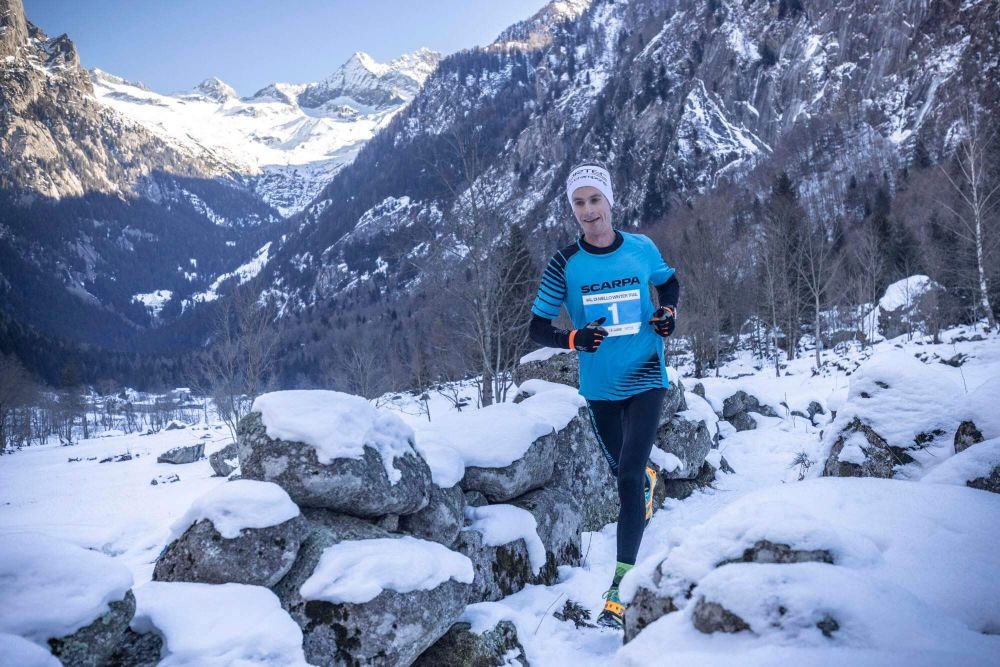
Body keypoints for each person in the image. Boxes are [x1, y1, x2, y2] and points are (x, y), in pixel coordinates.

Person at [527, 161, 679, 630]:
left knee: (629, 478)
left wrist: (667, 312)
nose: (589, 211)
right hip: (599, 390)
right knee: (625, 475)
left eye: (595, 200)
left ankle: (619, 588)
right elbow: (536, 328)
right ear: (572, 209)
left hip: (647, 376)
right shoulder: (565, 263)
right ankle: (647, 483)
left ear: (610, 201)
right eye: (579, 203)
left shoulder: (640, 248)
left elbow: (668, 280)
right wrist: (574, 340)